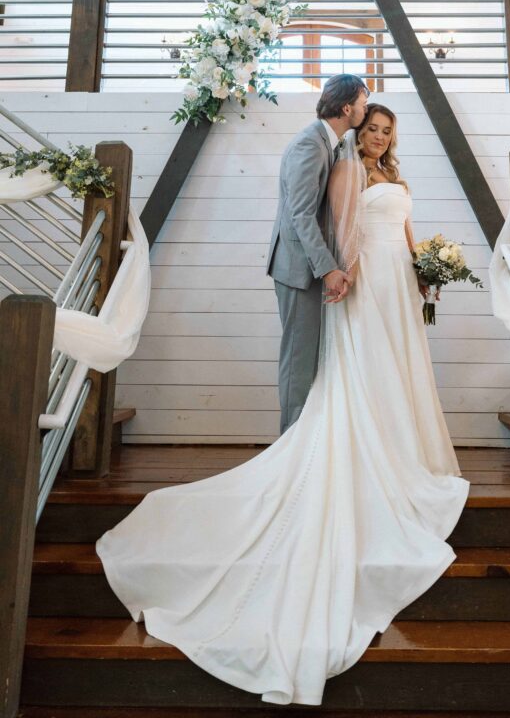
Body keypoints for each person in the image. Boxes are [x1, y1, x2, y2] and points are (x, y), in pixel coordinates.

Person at [96, 99, 469, 708]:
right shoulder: (345, 165)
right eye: (371, 127)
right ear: (358, 125)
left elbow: (404, 229)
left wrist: (427, 267)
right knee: (363, 373)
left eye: (385, 132)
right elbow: (340, 223)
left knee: (403, 371)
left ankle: (408, 451)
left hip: (402, 283)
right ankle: (370, 449)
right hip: (365, 279)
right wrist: (343, 274)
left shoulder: (397, 178)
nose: (377, 137)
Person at [266, 73, 369, 433]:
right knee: (299, 360)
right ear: (346, 107)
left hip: (309, 266)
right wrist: (328, 269)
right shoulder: (310, 144)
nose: (365, 110)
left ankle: (303, 443)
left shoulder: (332, 144)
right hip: (297, 268)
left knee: (310, 359)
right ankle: (288, 449)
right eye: (362, 103)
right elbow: (300, 214)